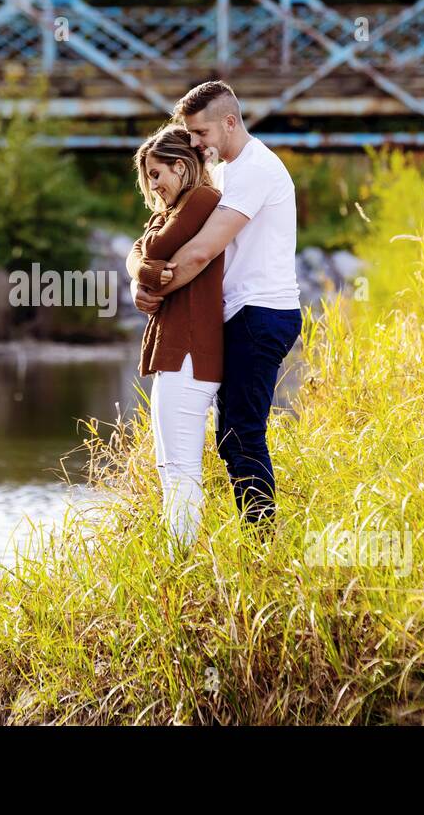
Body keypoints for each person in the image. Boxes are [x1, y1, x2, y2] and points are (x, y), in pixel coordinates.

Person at [132, 81, 301, 528]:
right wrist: (143, 280)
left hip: (262, 313)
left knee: (242, 434)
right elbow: (154, 243)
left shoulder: (255, 169)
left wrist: (152, 288)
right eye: (188, 135)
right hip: (241, 314)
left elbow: (201, 252)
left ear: (229, 122)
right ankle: (254, 539)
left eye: (200, 133)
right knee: (233, 436)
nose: (194, 143)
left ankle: (263, 541)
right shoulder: (226, 171)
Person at [126, 125, 224, 552]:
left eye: (156, 174)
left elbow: (152, 249)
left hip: (189, 353)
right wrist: (139, 276)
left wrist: (140, 266)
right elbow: (140, 257)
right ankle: (177, 560)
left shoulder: (201, 200)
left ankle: (181, 560)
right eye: (148, 176)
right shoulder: (174, 210)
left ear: (182, 166)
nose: (152, 186)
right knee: (169, 468)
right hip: (175, 351)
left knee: (181, 468)